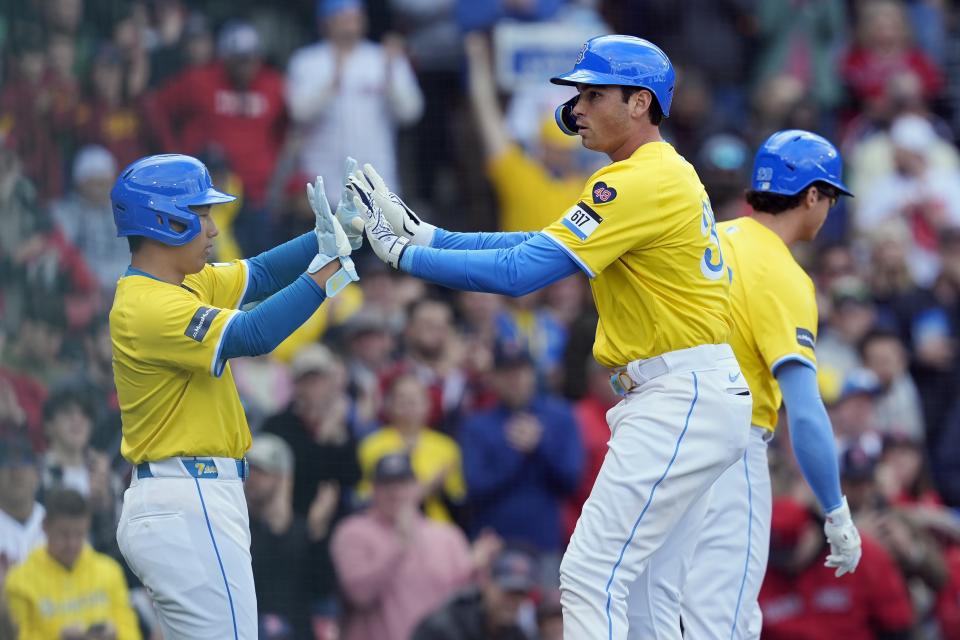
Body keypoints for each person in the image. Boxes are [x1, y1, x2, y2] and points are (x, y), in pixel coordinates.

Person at [349, 35, 754, 638]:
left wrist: (406, 258)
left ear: (640, 103)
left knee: (590, 574)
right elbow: (531, 246)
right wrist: (428, 237)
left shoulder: (639, 179)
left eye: (594, 93)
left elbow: (521, 275)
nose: (578, 108)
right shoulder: (652, 173)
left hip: (680, 396)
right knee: (646, 596)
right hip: (690, 392)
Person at [110, 153, 360, 639]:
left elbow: (260, 276)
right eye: (201, 214)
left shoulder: (179, 284)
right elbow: (254, 334)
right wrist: (327, 270)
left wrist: (333, 234)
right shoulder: (146, 305)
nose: (213, 228)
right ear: (165, 219)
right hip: (187, 493)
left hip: (188, 495)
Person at [669, 131, 863, 638]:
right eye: (830, 197)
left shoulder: (707, 240)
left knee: (659, 615)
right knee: (724, 620)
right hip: (731, 447)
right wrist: (836, 509)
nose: (829, 209)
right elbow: (803, 410)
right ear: (813, 195)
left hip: (661, 436)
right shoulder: (783, 272)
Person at [331, 452, 497, 640]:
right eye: (387, 484)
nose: (395, 492)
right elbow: (360, 595)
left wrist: (479, 569)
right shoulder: (353, 532)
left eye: (403, 483)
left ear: (417, 487)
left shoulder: (447, 535)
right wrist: (399, 545)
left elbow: (464, 603)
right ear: (373, 489)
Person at [758, 497, 913, 640]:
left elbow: (897, 623)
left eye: (793, 551)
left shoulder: (859, 557)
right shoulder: (760, 574)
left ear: (810, 531)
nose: (789, 563)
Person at [4, 489, 141, 639]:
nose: (72, 544)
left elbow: (131, 631)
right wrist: (59, 636)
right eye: (63, 534)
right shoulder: (19, 581)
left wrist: (114, 633)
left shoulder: (109, 571)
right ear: (45, 527)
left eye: (79, 534)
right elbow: (16, 635)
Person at [358, 373, 465, 523]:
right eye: (402, 398)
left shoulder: (446, 447)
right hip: (385, 527)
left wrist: (442, 489)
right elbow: (364, 497)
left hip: (435, 527)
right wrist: (424, 490)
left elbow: (458, 498)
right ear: (388, 404)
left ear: (428, 404)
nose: (409, 403)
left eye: (416, 398)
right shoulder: (372, 445)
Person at [244, 433, 312, 639]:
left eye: (262, 471)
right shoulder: (235, 526)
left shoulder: (302, 531)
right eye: (249, 469)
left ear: (283, 478)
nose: (252, 477)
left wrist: (281, 529)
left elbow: (322, 590)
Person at [411, 547, 536, 640]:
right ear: (487, 585)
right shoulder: (448, 625)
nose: (513, 602)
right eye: (507, 592)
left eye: (520, 594)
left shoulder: (515, 634)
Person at [0, 436, 45, 569]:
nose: (16, 473)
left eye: (24, 463)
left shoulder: (57, 524)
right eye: (8, 465)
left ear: (37, 475)